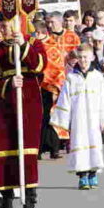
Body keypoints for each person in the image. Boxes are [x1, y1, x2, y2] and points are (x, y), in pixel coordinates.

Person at [0, 15, 46, 208]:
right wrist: (8, 84)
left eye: (5, 24)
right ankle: (7, 197)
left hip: (29, 104)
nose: (1, 28)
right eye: (0, 24)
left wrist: (23, 45)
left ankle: (30, 202)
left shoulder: (34, 43)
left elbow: (39, 66)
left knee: (26, 152)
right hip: (5, 104)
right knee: (4, 149)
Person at [50, 44, 104, 190]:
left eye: (86, 57)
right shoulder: (71, 78)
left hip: (94, 118)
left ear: (92, 57)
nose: (83, 60)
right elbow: (65, 100)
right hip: (78, 118)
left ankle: (93, 173)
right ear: (77, 59)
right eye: (80, 58)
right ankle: (82, 176)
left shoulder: (98, 77)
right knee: (79, 144)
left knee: (95, 144)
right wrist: (64, 121)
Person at [35, 20, 65, 159]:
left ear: (40, 32)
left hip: (49, 87)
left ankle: (54, 148)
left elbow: (58, 67)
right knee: (37, 118)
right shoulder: (34, 45)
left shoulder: (53, 46)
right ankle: (38, 150)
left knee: (49, 117)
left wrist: (55, 88)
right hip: (35, 86)